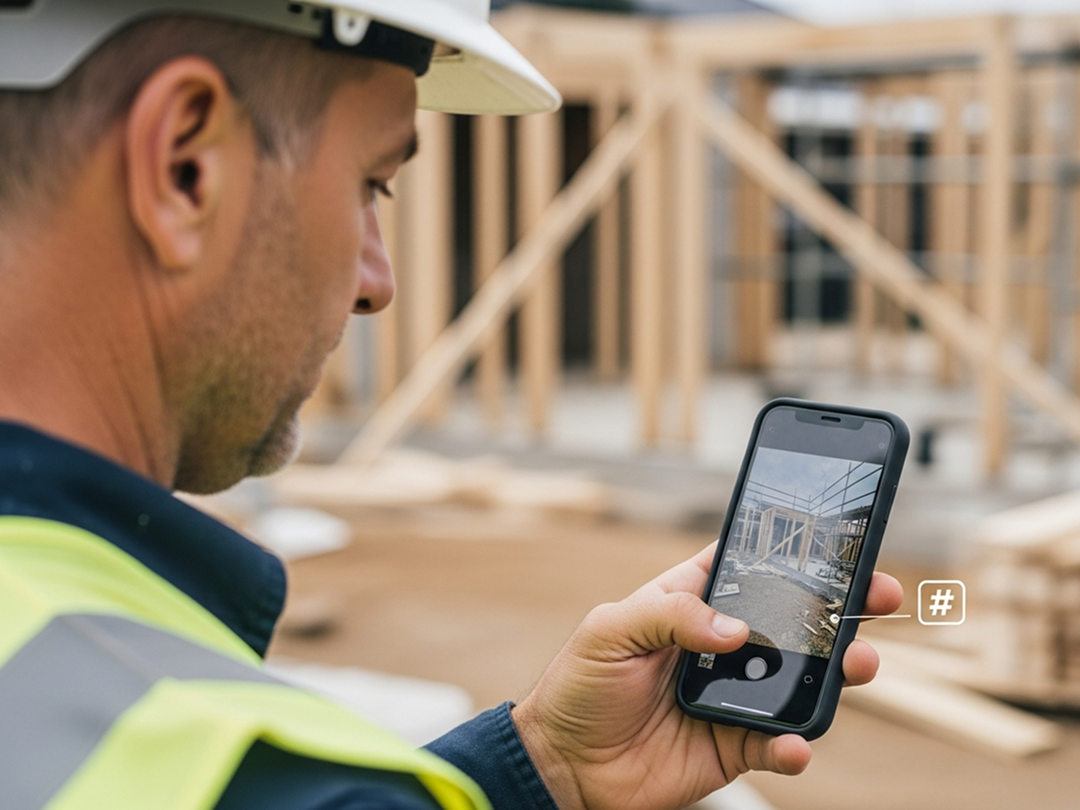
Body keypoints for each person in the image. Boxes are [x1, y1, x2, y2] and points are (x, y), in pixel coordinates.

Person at [0, 1, 904, 808]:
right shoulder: (245, 770)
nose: (377, 281)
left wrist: (544, 766)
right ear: (185, 164)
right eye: (371, 183)